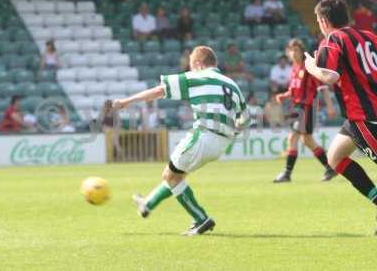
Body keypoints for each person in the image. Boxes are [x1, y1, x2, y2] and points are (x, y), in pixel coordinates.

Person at [108, 46, 246, 236]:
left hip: (203, 135)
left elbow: (159, 91)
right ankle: (148, 203)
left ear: (197, 64)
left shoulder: (196, 76)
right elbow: (244, 119)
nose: (188, 69)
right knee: (177, 176)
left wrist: (126, 102)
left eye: (190, 65)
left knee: (170, 176)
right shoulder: (232, 84)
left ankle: (201, 219)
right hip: (222, 143)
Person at [304, 0, 377, 233]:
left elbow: (330, 77)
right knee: (335, 158)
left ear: (324, 20)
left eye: (318, 19)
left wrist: (311, 67)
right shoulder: (370, 36)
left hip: (366, 116)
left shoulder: (333, 39)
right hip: (357, 117)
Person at [273, 38, 336, 183]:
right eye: (291, 50)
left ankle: (287, 173)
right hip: (298, 108)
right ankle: (330, 167)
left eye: (297, 50)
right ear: (287, 53)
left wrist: (330, 106)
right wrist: (285, 95)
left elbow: (323, 87)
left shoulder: (309, 67)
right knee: (307, 141)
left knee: (293, 138)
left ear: (302, 52)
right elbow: (294, 89)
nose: (294, 53)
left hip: (307, 107)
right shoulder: (294, 68)